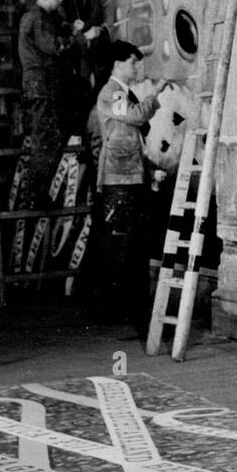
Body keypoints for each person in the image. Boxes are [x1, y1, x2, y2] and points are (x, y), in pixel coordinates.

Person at [16, 0, 102, 212]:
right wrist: (84, 38)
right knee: (45, 143)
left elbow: (57, 35)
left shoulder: (42, 18)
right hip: (43, 90)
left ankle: (37, 196)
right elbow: (55, 46)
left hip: (48, 89)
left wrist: (72, 29)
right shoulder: (36, 18)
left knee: (51, 141)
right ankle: (34, 197)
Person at [93, 40, 160, 332]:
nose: (138, 67)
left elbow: (133, 139)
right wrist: (155, 96)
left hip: (130, 177)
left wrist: (150, 170)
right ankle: (120, 314)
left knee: (132, 247)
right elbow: (135, 117)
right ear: (119, 64)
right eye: (134, 62)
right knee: (122, 248)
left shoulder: (122, 92)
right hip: (119, 181)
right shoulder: (112, 92)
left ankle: (133, 313)